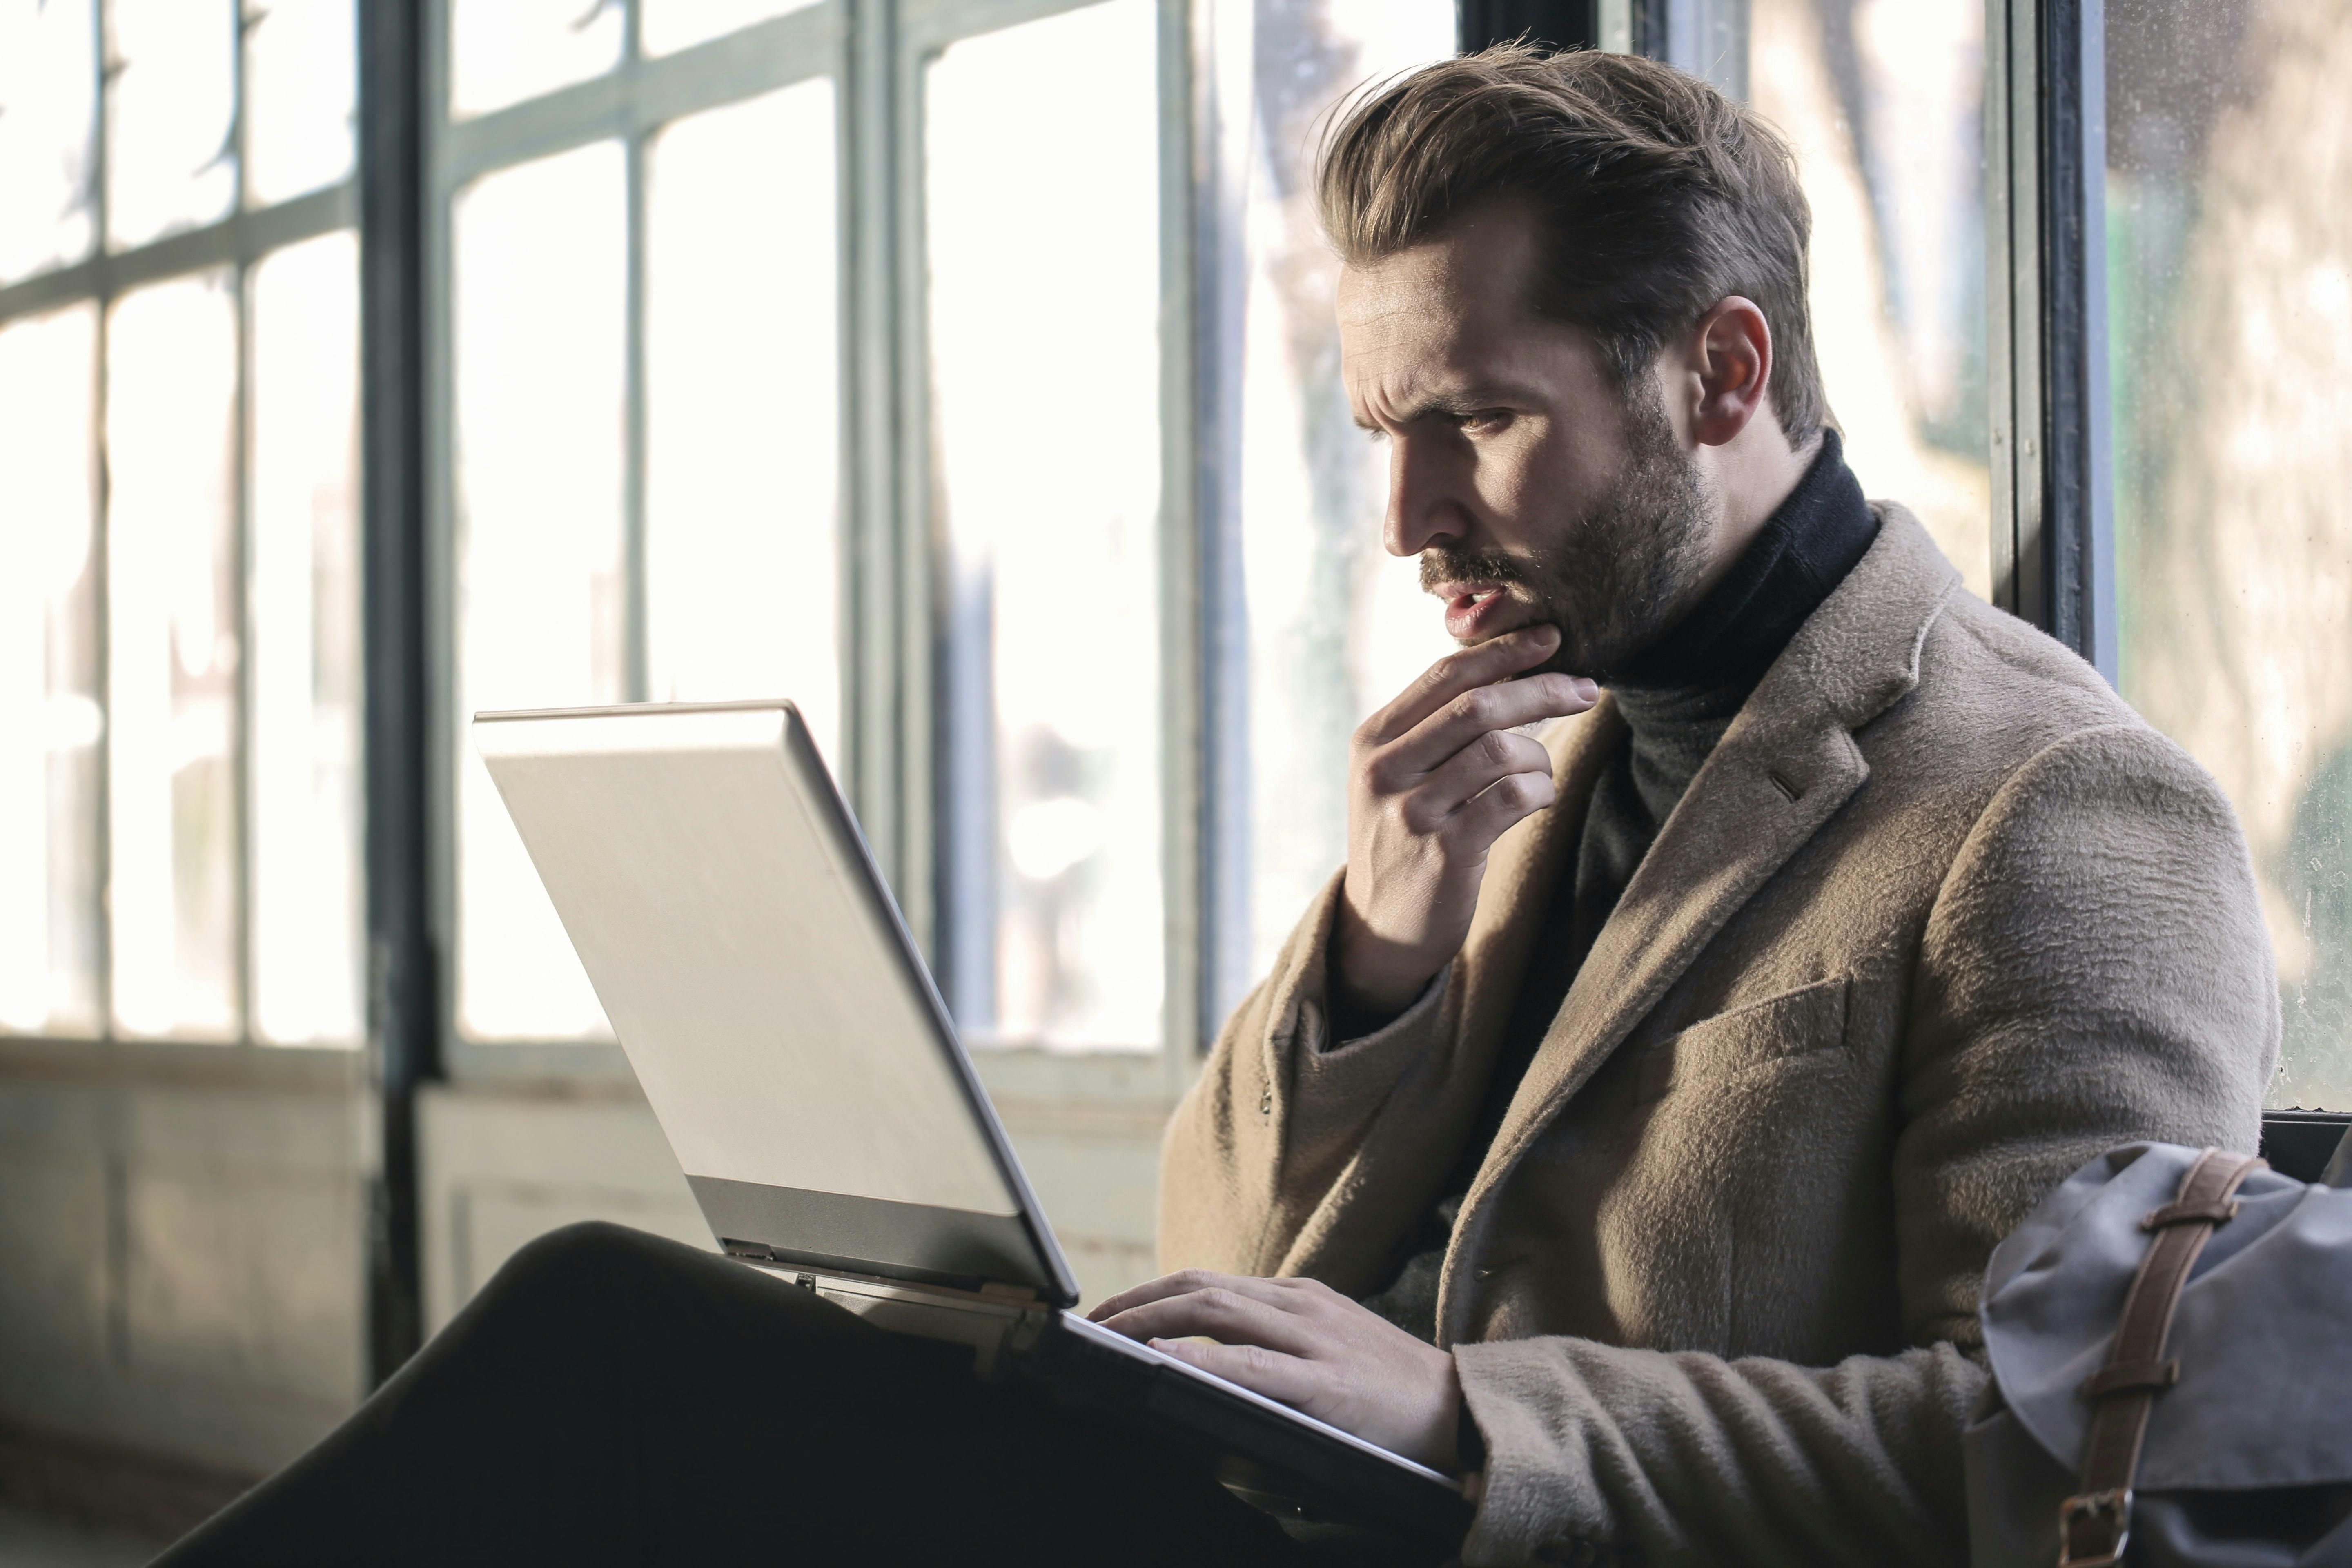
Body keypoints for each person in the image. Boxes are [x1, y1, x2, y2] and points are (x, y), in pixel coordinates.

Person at [155, 43, 2276, 1568]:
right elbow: (1224, 1263)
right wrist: (1373, 955)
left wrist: (1463, 1414)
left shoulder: (2058, 808)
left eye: (1475, 422)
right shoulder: (1522, 735)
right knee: (616, 1330)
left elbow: (2062, 1458)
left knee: (618, 1369)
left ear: (1721, 378)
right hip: (1260, 1512)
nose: (1408, 519)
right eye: (1382, 429)